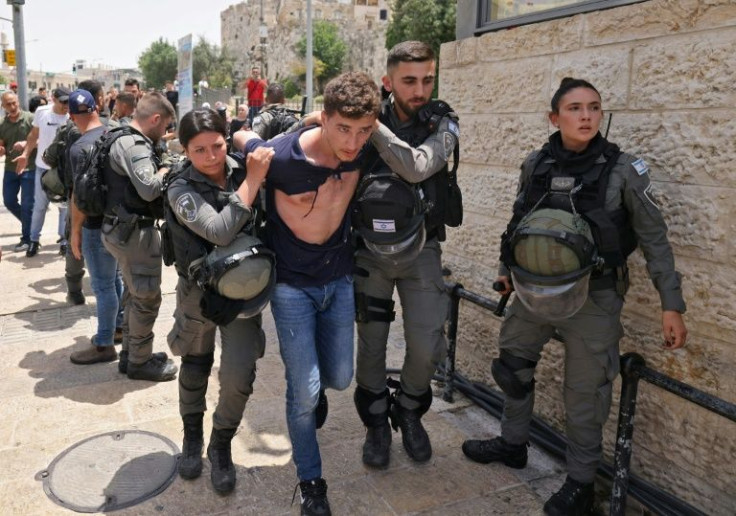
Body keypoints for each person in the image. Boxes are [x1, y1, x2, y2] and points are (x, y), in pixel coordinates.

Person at [461, 77, 688, 515]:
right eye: (575, 108)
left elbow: (656, 241)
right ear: (554, 117)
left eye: (593, 108)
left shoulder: (624, 170)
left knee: (585, 397)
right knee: (512, 368)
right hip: (532, 293)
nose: (586, 116)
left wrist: (671, 305)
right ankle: (513, 444)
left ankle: (581, 483)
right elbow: (517, 222)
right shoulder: (536, 163)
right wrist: (505, 272)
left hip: (595, 299)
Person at [234, 71, 381, 516]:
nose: (353, 142)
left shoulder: (365, 148)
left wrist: (350, 125)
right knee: (303, 392)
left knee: (338, 378)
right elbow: (238, 133)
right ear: (325, 119)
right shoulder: (281, 156)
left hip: (338, 279)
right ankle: (311, 482)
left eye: (364, 131)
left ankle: (313, 393)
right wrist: (260, 142)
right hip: (291, 286)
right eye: (342, 128)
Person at [352, 40, 459, 468]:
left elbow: (417, 166)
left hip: (422, 249)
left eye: (427, 79)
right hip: (369, 252)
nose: (420, 90)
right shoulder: (361, 116)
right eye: (409, 81)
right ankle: (377, 422)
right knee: (372, 343)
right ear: (388, 81)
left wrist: (371, 124)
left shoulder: (444, 122)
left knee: (428, 342)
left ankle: (410, 410)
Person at [165, 108, 273, 494]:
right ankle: (192, 436)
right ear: (185, 150)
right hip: (198, 294)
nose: (210, 156)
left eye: (217, 145)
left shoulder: (242, 168)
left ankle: (221, 442)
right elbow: (219, 230)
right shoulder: (180, 187)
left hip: (242, 293)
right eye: (199, 150)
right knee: (195, 364)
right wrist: (255, 179)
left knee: (239, 374)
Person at [101, 92, 178, 382]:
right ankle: (140, 362)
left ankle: (131, 355)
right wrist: (168, 166)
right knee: (146, 297)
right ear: (156, 119)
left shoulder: (118, 134)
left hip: (120, 229)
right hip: (134, 233)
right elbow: (149, 188)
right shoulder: (134, 143)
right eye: (165, 124)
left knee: (135, 295)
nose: (165, 131)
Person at [64, 89, 124, 365]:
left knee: (102, 286)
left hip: (95, 225)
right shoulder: (117, 136)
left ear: (71, 115)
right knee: (115, 280)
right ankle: (119, 327)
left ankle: (103, 344)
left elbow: (79, 195)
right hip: (122, 223)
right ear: (96, 107)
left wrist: (75, 231)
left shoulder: (78, 148)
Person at [15, 87, 70, 257]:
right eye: (63, 101)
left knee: (64, 207)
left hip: (63, 170)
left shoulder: (72, 115)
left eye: (68, 101)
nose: (66, 105)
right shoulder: (42, 111)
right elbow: (33, 135)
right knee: (40, 206)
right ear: (53, 99)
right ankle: (33, 240)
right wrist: (25, 154)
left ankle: (64, 241)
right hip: (42, 167)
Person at [0, 91, 36, 252]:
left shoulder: (31, 118)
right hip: (10, 168)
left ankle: (27, 239)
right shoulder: (2, 124)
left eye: (14, 102)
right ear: (3, 106)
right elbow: (1, 146)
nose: (13, 106)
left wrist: (26, 143)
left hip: (30, 167)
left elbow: (42, 139)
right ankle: (32, 225)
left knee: (28, 204)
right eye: (8, 104)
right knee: (8, 201)